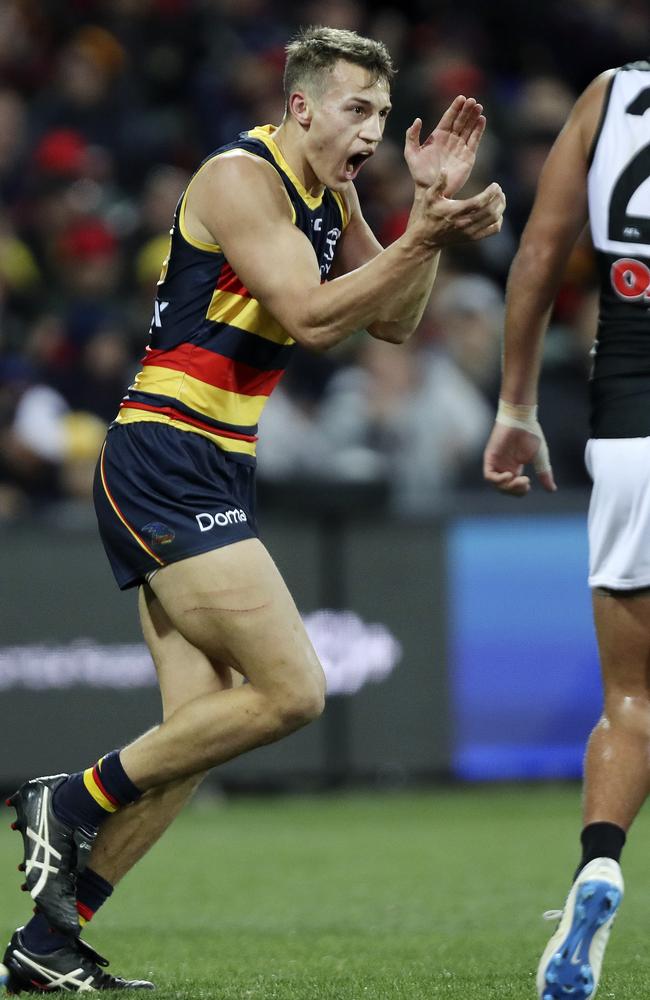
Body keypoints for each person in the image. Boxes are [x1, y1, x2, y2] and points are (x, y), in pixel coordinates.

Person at [4, 25, 505, 992]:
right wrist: (426, 237)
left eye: (383, 115)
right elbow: (316, 316)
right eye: (356, 109)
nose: (371, 130)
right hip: (163, 453)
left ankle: (46, 945)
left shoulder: (337, 193)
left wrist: (428, 213)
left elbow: (394, 320)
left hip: (212, 465)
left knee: (194, 736)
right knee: (293, 692)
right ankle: (67, 798)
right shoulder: (242, 177)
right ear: (303, 105)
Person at [483, 58, 650, 1000]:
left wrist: (515, 404)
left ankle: (598, 866)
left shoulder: (611, 95)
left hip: (631, 420)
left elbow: (542, 252)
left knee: (631, 699)